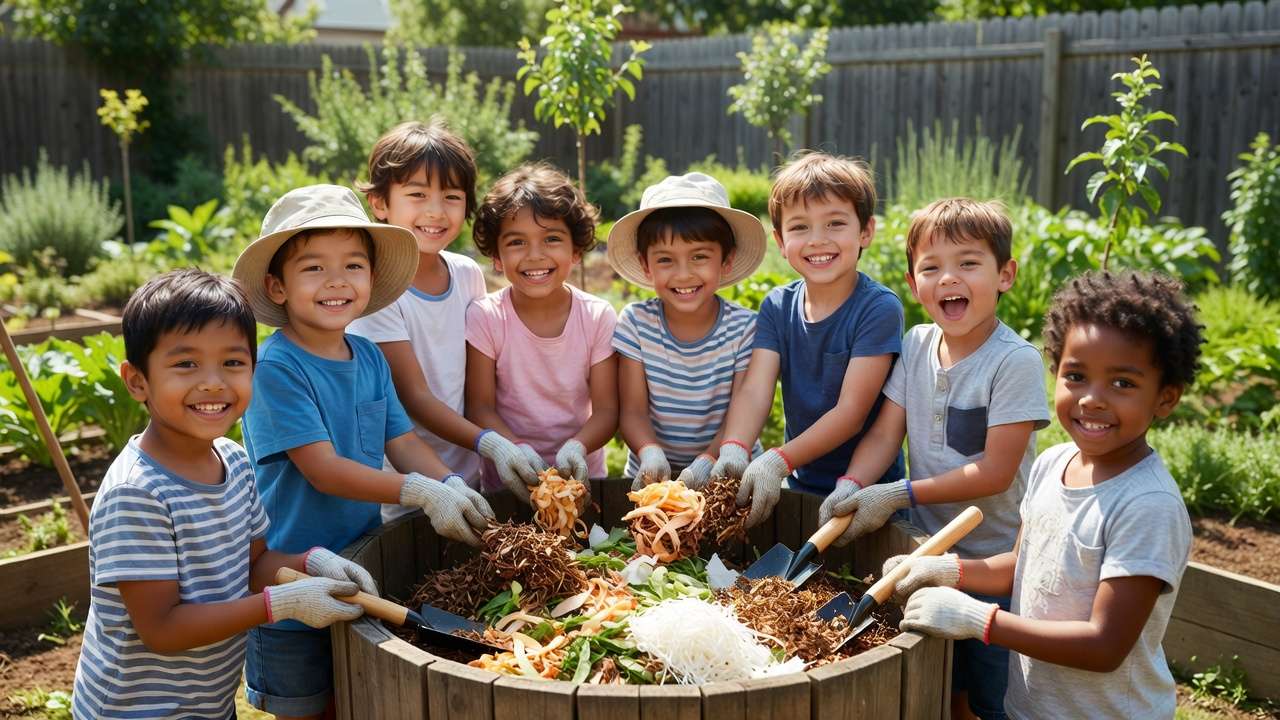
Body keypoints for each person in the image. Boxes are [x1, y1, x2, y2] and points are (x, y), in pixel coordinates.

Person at [889, 270, 1202, 719]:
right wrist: (945, 570)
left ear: (1166, 398)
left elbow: (1104, 646)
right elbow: (1019, 566)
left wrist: (979, 621)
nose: (1092, 399)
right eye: (1076, 375)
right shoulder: (1053, 464)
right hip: (1031, 708)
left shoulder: (1147, 505)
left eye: (1123, 384)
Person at [233, 184, 494, 718]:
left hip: (358, 564)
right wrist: (419, 492)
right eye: (313, 269)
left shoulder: (369, 357)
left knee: (358, 696)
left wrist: (450, 485)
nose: (336, 281)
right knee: (306, 705)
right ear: (276, 287)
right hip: (290, 575)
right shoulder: (277, 369)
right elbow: (325, 471)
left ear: (372, 280)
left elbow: (401, 442)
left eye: (353, 265)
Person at [72, 269, 372, 719]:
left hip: (206, 702)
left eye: (233, 363)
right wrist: (280, 604)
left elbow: (252, 565)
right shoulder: (137, 494)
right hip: (134, 709)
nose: (213, 382)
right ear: (137, 381)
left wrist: (311, 562)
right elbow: (162, 629)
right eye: (186, 364)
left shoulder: (233, 462)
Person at [818, 198, 1050, 718]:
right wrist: (853, 483)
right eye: (931, 267)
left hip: (992, 567)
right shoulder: (918, 343)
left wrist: (900, 492)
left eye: (968, 263)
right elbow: (884, 433)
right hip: (923, 551)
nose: (949, 278)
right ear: (912, 279)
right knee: (943, 685)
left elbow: (996, 473)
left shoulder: (1013, 363)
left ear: (1005, 274)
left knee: (996, 693)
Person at [348, 120, 543, 510]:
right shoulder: (380, 291)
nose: (436, 212)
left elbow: (477, 377)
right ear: (381, 203)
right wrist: (490, 442)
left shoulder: (467, 273)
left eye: (452, 197)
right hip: (408, 485)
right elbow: (413, 397)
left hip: (469, 474)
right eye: (417, 194)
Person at [713, 151, 905, 527]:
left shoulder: (878, 309)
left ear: (866, 231)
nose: (818, 240)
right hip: (801, 485)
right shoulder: (777, 306)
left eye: (835, 223)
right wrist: (735, 447)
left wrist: (777, 459)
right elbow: (755, 390)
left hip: (866, 493)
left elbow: (851, 414)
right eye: (800, 227)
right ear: (780, 241)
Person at [605, 172, 767, 490]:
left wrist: (706, 461)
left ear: (727, 260)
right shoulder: (637, 323)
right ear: (645, 265)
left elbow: (740, 412)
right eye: (665, 259)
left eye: (699, 257)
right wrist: (651, 454)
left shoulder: (744, 328)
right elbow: (633, 411)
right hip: (651, 478)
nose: (683, 274)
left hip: (726, 471)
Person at [464, 163, 619, 488]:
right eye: (517, 242)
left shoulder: (597, 316)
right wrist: (514, 450)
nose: (535, 255)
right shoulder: (486, 317)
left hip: (582, 481)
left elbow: (606, 410)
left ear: (576, 250)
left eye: (551, 239)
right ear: (496, 256)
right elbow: (479, 406)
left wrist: (577, 447)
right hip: (508, 483)